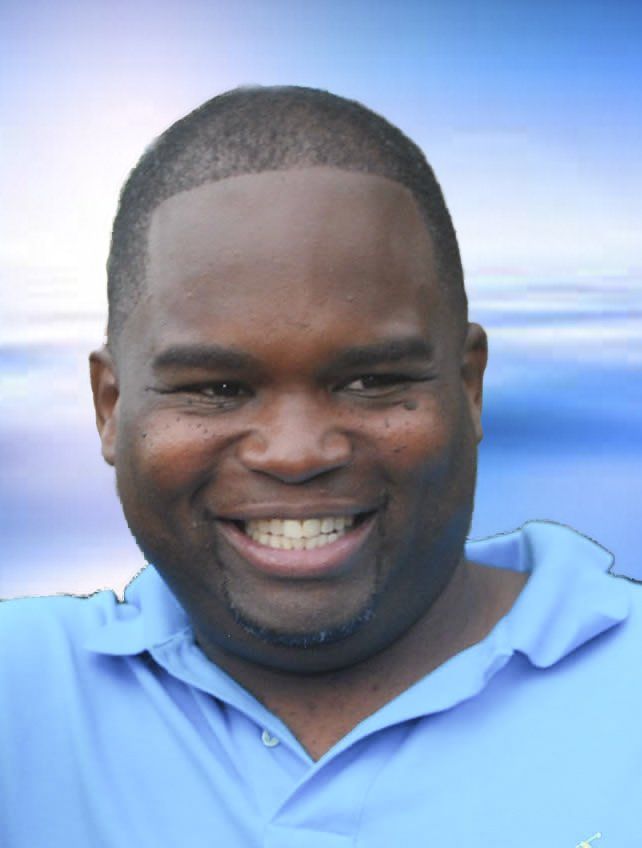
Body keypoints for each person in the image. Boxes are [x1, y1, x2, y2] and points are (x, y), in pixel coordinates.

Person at [1, 86, 640, 847]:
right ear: (110, 408)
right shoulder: (24, 696)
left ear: (469, 387)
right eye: (217, 388)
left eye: (371, 380)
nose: (297, 453)